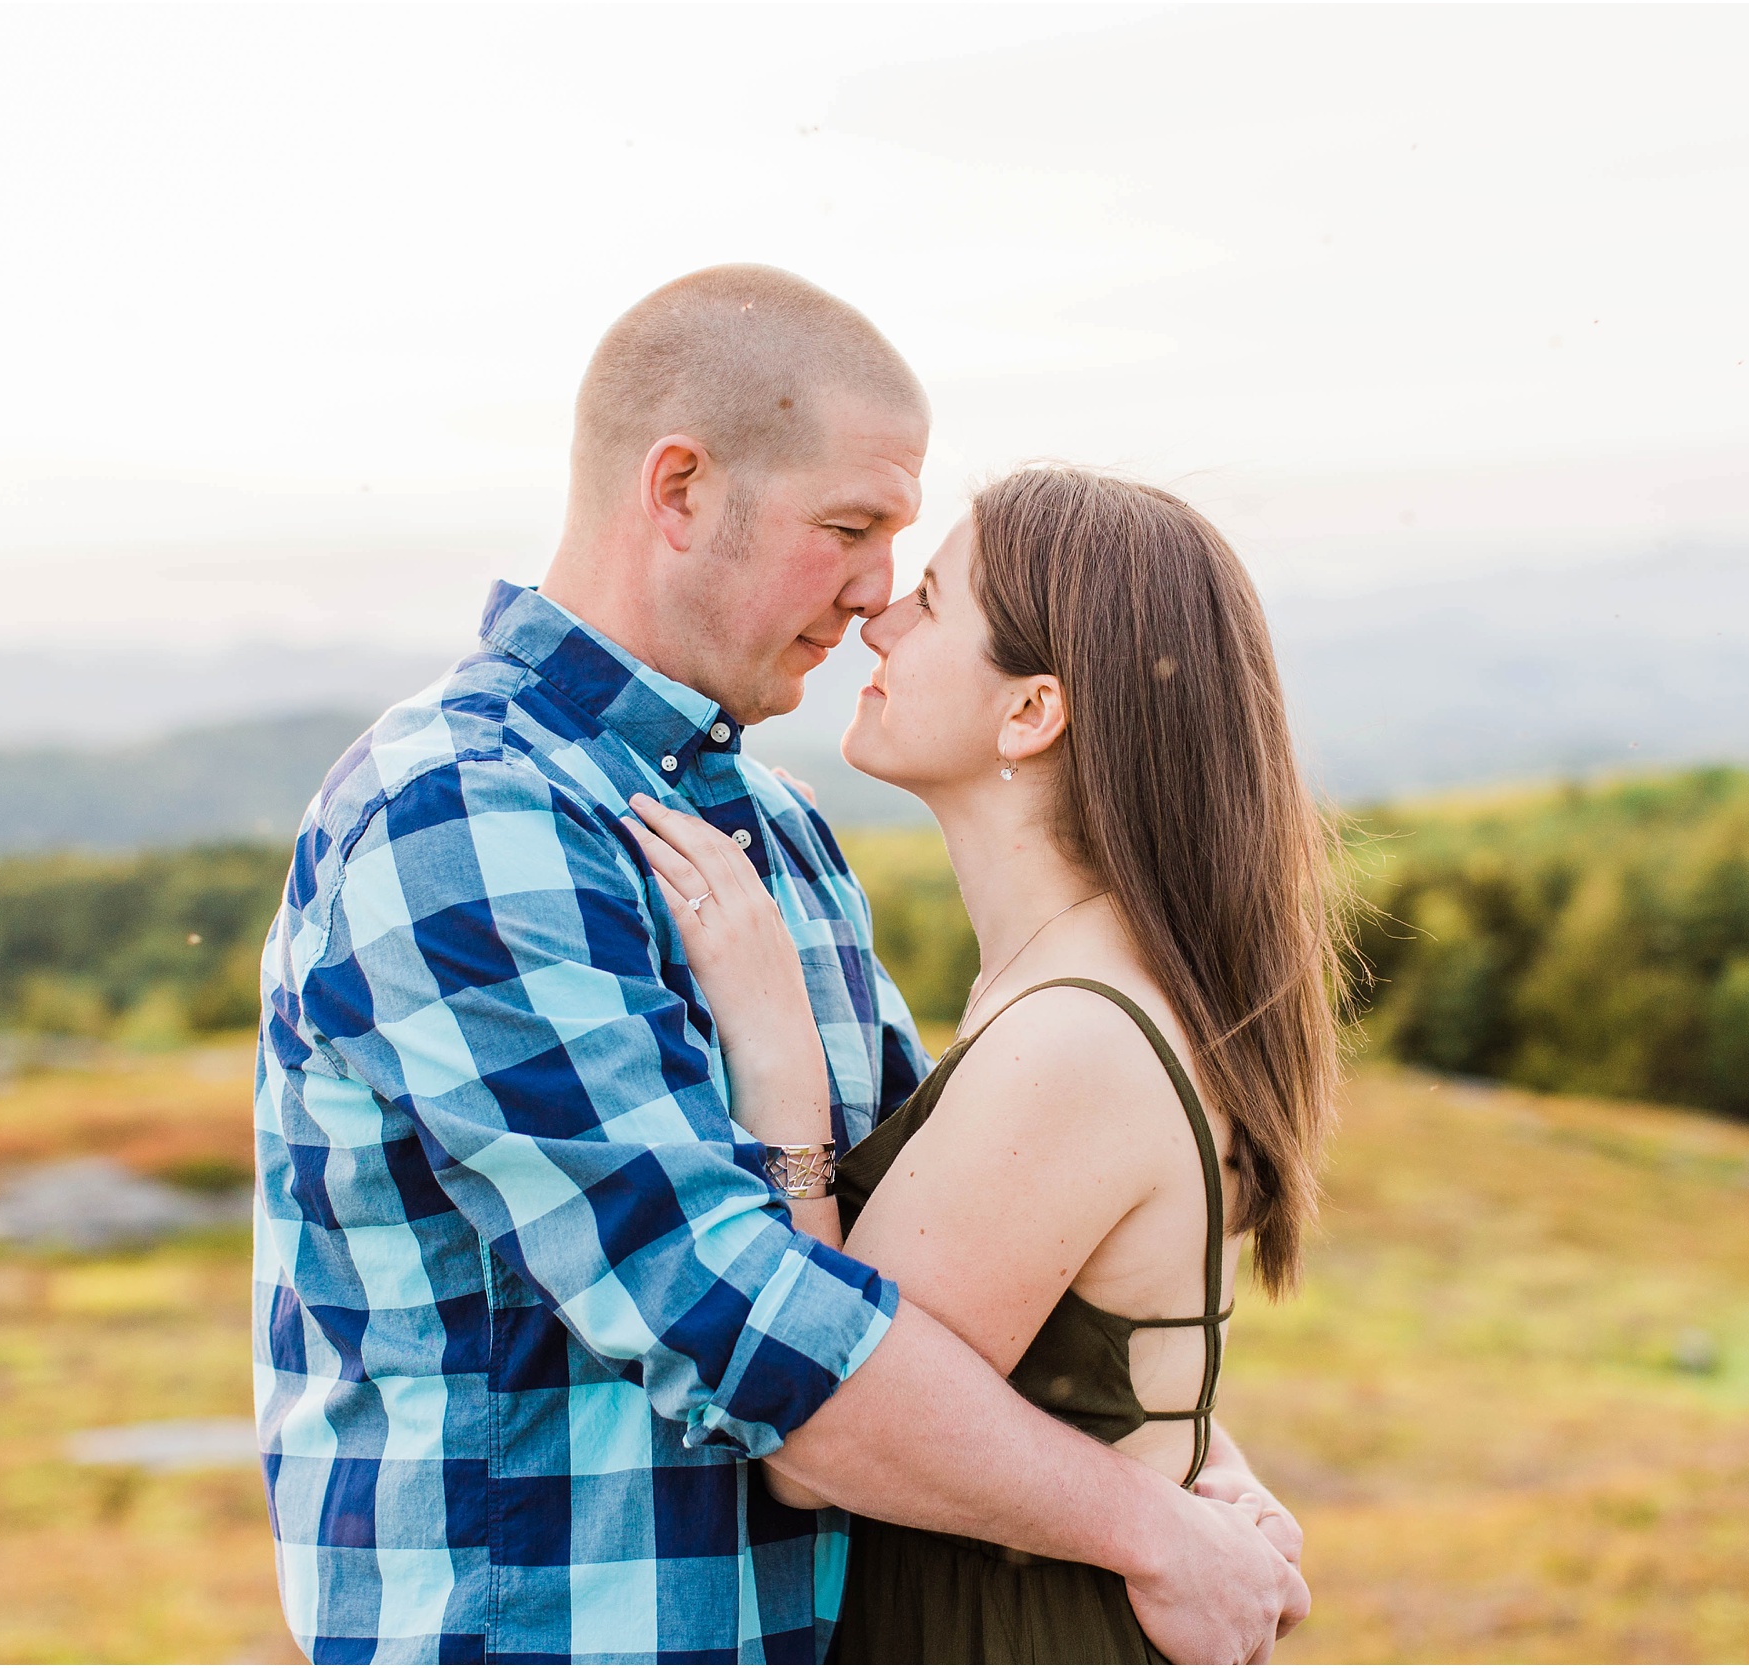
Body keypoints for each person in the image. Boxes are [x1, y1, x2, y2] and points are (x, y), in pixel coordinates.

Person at [253, 265, 1308, 1665]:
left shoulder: (778, 834)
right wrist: (1154, 1523)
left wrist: (1172, 1432)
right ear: (680, 491)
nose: (878, 594)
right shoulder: (466, 813)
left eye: (906, 552)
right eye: (853, 528)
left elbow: (932, 1278)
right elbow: (734, 1311)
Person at [625, 463, 1346, 1662]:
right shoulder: (1078, 990)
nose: (878, 616)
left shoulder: (1076, 1038)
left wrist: (778, 1071)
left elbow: (824, 1439)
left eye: (933, 600)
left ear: (1030, 714)